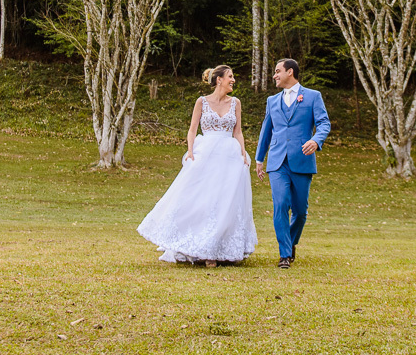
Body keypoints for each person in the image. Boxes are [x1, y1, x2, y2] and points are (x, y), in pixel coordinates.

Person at [137, 65, 258, 265]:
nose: (233, 80)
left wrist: (243, 153)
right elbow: (192, 130)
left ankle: (217, 249)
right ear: (219, 80)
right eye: (230, 76)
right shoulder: (202, 102)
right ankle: (200, 247)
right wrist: (191, 151)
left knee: (225, 202)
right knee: (202, 200)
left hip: (229, 156)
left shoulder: (236, 103)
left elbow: (238, 132)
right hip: (206, 153)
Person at [254, 58, 330, 269]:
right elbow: (266, 130)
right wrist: (259, 159)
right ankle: (284, 254)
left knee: (300, 210)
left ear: (290, 72)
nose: (275, 75)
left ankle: (291, 241)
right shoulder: (272, 101)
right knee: (280, 204)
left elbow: (324, 123)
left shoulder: (313, 97)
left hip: (302, 159)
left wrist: (316, 140)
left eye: (277, 71)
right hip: (277, 162)